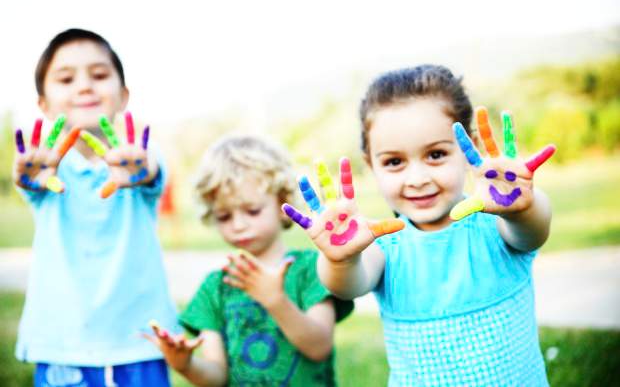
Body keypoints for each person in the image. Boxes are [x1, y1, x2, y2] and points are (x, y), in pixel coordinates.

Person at [283, 65, 556, 386]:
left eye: (436, 154)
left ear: (470, 150)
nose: (417, 179)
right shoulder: (384, 248)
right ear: (371, 164)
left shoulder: (497, 227)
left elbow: (532, 230)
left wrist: (523, 208)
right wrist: (339, 257)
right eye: (394, 162)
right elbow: (347, 284)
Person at [13, 28, 178, 386]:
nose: (85, 86)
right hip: (63, 346)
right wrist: (27, 177)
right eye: (66, 78)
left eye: (99, 75)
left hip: (139, 344)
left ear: (123, 96)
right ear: (43, 103)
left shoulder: (139, 159)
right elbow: (28, 181)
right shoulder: (45, 170)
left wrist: (141, 169)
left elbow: (149, 171)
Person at [146, 134, 354, 386]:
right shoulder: (216, 288)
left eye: (252, 211)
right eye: (223, 216)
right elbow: (216, 376)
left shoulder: (312, 268)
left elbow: (319, 346)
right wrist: (185, 365)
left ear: (283, 202)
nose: (239, 225)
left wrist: (275, 300)